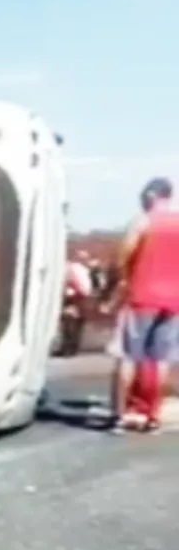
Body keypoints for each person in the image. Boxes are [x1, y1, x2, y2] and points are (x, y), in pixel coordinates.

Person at [114, 177, 179, 433]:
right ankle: (152, 414)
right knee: (160, 359)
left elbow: (124, 254)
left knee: (130, 356)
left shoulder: (143, 221)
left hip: (142, 297)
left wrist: (119, 281)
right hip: (173, 301)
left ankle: (121, 414)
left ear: (151, 195)